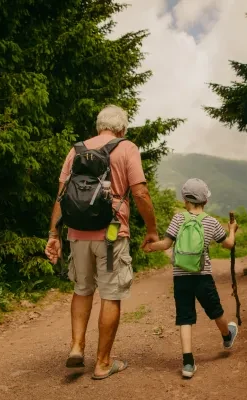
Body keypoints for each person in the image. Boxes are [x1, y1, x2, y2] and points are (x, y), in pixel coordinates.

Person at [45, 105, 159, 380]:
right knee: (110, 294)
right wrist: (152, 230)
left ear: (99, 127)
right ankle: (103, 363)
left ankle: (76, 347)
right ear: (122, 129)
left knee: (82, 289)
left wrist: (53, 235)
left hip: (77, 233)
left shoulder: (76, 150)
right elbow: (140, 193)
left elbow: (62, 196)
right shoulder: (126, 147)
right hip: (111, 235)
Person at [143, 178, 239, 379]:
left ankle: (188, 363)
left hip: (181, 277)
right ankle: (227, 335)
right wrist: (232, 230)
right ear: (205, 201)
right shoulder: (211, 222)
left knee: (185, 317)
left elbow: (166, 244)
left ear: (185, 199)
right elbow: (229, 244)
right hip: (202, 276)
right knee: (215, 310)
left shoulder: (178, 219)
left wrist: (150, 247)